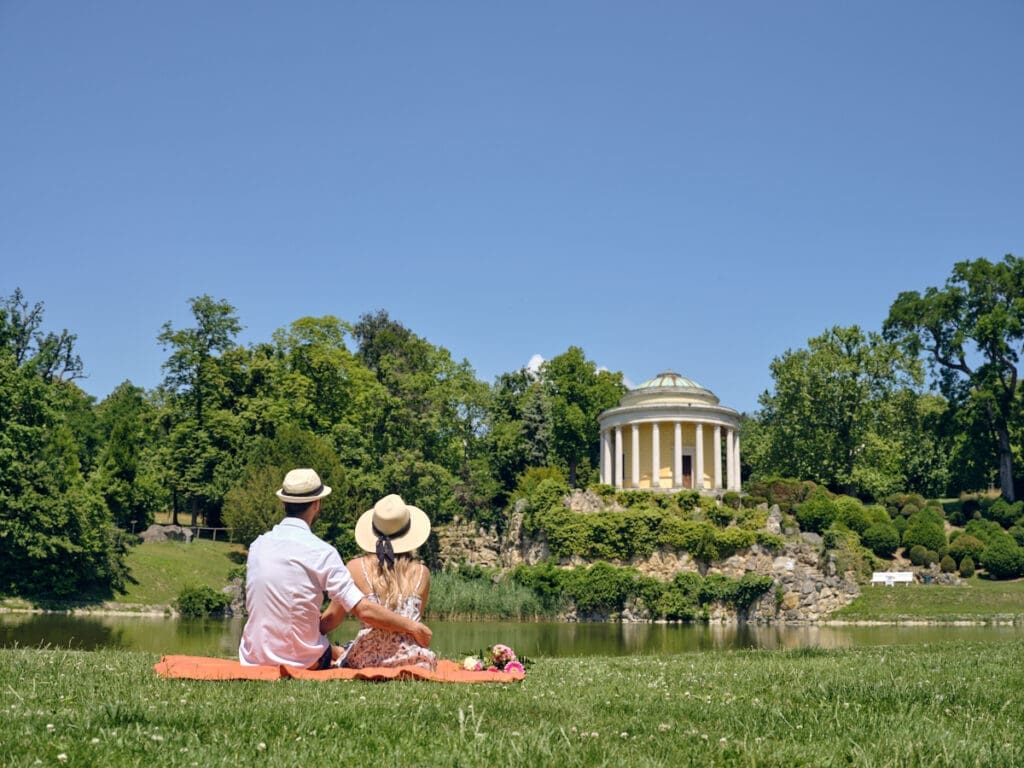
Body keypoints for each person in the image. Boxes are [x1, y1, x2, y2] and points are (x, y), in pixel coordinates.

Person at [238, 469, 431, 669]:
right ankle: (339, 650)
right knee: (327, 648)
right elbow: (363, 610)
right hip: (304, 661)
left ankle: (341, 650)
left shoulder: (257, 546)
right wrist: (412, 627)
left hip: (254, 657)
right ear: (317, 504)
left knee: (333, 647)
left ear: (283, 502)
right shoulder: (323, 552)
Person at [331, 493, 437, 670]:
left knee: (339, 649)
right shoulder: (422, 572)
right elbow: (416, 617)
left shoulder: (356, 567)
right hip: (414, 660)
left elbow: (332, 618)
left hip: (366, 659)